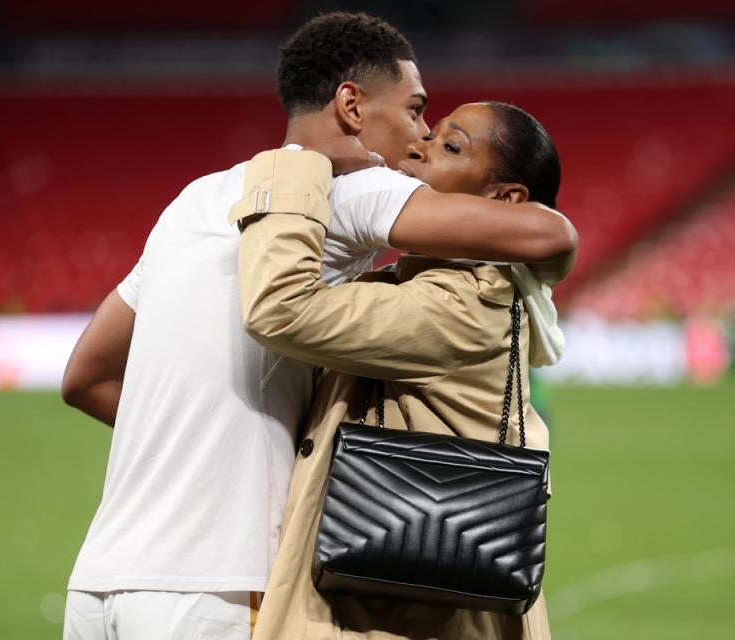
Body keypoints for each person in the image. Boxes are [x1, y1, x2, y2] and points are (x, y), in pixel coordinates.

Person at [61, 12, 576, 640]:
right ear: (352, 107)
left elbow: (83, 377)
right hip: (218, 585)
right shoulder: (353, 191)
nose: (416, 137)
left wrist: (194, 436)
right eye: (416, 111)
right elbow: (548, 233)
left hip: (100, 580)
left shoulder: (195, 199)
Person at [234, 101, 574, 639]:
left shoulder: (463, 303)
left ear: (505, 202)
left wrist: (299, 165)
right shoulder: (434, 284)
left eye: (450, 145)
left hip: (396, 614)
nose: (418, 146)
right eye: (430, 134)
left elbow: (282, 309)